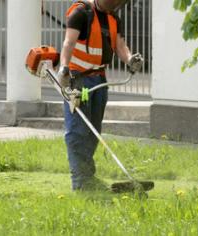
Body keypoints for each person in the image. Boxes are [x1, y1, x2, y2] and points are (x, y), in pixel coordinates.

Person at [57, 0, 143, 191]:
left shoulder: (113, 18)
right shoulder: (81, 12)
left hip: (100, 81)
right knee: (78, 131)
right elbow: (69, 42)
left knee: (93, 131)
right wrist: (63, 69)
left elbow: (120, 46)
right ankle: (80, 182)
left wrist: (130, 59)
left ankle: (88, 177)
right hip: (77, 80)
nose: (117, 5)